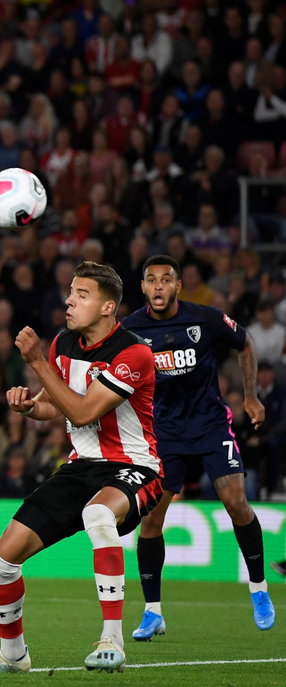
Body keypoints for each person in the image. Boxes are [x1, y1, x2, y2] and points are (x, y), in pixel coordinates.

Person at [0, 261, 161, 675]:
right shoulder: (64, 343)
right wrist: (29, 407)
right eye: (71, 292)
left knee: (98, 514)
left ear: (108, 307)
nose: (69, 301)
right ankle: (13, 655)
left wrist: (36, 362)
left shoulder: (134, 353)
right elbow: (55, 404)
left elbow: (84, 412)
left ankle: (112, 640)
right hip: (80, 466)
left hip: (134, 466)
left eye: (81, 295)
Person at [122, 256, 275, 635]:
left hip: (209, 426)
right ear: (143, 287)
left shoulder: (204, 318)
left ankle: (259, 589)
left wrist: (250, 396)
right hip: (163, 433)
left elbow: (245, 342)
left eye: (166, 279)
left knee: (236, 503)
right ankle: (153, 612)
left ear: (178, 286)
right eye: (151, 280)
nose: (158, 286)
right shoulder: (130, 328)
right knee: (151, 520)